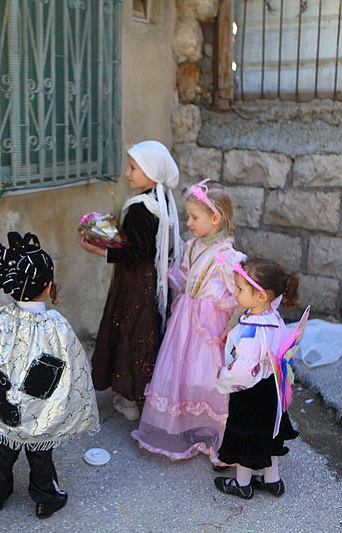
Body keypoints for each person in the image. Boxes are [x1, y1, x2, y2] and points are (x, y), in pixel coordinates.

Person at [0, 232, 99, 520]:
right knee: (39, 452)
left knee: (4, 447)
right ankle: (46, 498)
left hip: (4, 405)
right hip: (39, 407)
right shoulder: (56, 325)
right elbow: (74, 368)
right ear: (47, 287)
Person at [131, 180, 243, 462]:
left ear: (215, 218)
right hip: (186, 322)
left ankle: (214, 432)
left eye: (194, 217)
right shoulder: (192, 247)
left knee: (206, 376)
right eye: (188, 217)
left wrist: (230, 321)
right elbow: (185, 278)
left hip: (210, 326)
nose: (189, 223)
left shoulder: (228, 258)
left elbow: (239, 295)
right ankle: (189, 427)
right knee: (183, 373)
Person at [80, 140, 183, 421]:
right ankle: (146, 392)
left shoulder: (140, 207)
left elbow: (133, 253)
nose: (128, 173)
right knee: (148, 331)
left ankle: (129, 399)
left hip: (135, 282)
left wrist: (98, 249)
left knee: (129, 331)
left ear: (151, 171)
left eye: (134, 168)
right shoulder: (163, 202)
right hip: (155, 280)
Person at [213, 258, 301, 500]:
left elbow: (243, 369)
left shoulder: (253, 330)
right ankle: (272, 479)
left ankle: (242, 483)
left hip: (250, 391)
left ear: (261, 296)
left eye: (240, 289)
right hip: (272, 388)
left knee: (248, 435)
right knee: (269, 431)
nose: (235, 293)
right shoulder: (274, 319)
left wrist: (224, 378)